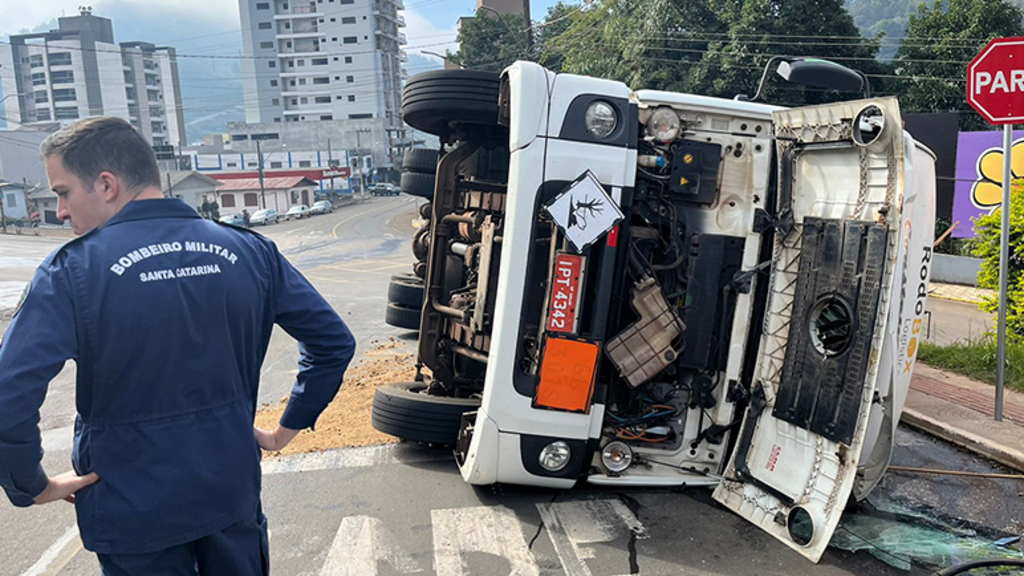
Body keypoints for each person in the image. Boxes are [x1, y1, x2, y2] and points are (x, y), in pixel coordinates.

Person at [0, 117, 355, 574]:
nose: (61, 211)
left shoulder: (72, 272)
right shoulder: (250, 250)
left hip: (132, 510)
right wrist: (285, 428)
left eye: (63, 192)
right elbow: (332, 341)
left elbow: (9, 394)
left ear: (106, 184)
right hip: (229, 494)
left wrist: (31, 484)